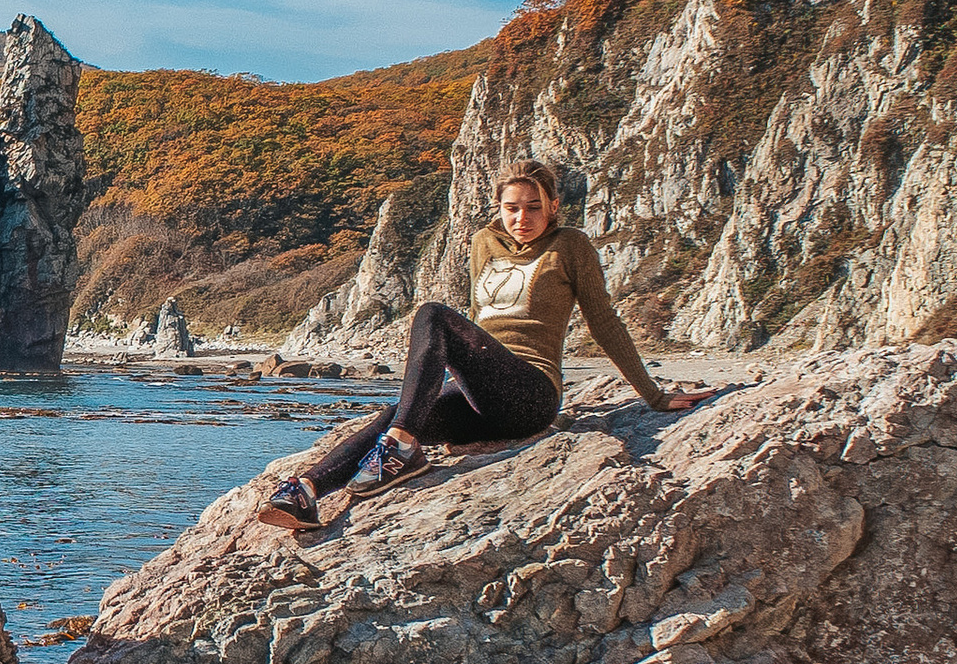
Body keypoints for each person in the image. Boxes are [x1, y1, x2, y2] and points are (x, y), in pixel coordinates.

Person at [257, 156, 706, 533]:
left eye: (533, 207)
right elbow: (480, 323)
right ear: (499, 208)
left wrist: (654, 396)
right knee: (395, 415)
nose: (522, 218)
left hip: (530, 395)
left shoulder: (571, 246)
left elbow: (603, 320)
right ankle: (305, 492)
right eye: (512, 208)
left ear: (553, 206)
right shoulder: (483, 243)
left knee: (433, 315)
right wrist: (436, 393)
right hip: (481, 399)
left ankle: (401, 449)